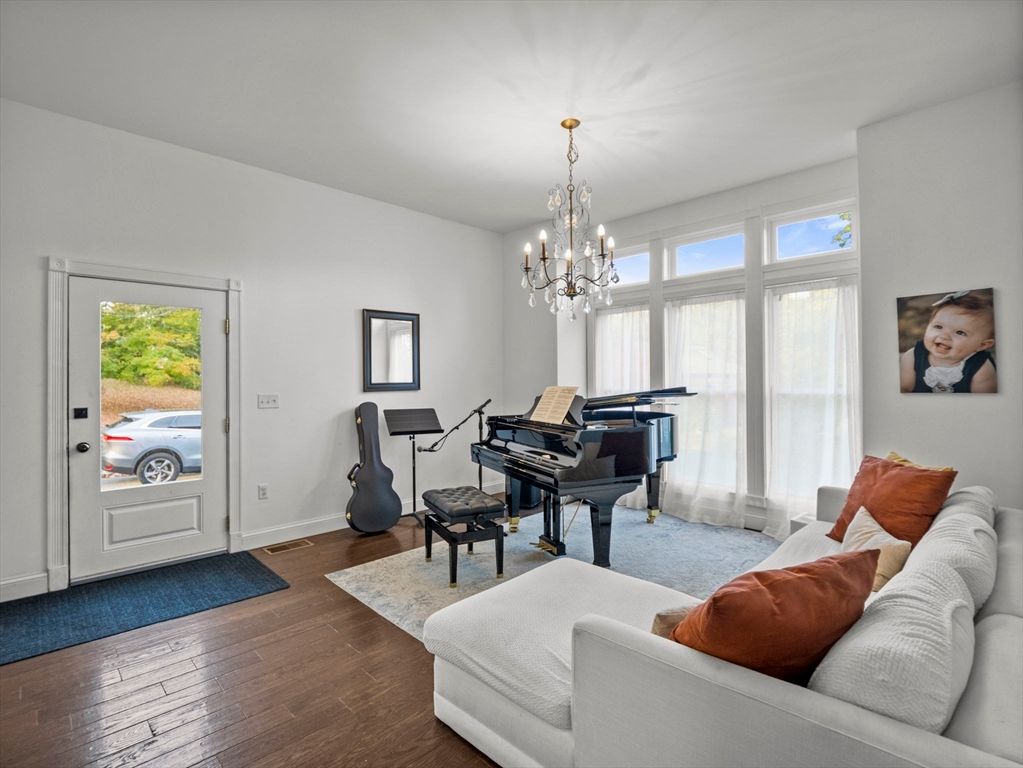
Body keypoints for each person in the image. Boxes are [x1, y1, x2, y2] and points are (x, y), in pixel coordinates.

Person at [900, 290, 997, 393]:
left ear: (982, 345)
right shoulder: (912, 357)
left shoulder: (981, 368)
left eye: (960, 332)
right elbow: (905, 390)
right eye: (938, 326)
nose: (944, 336)